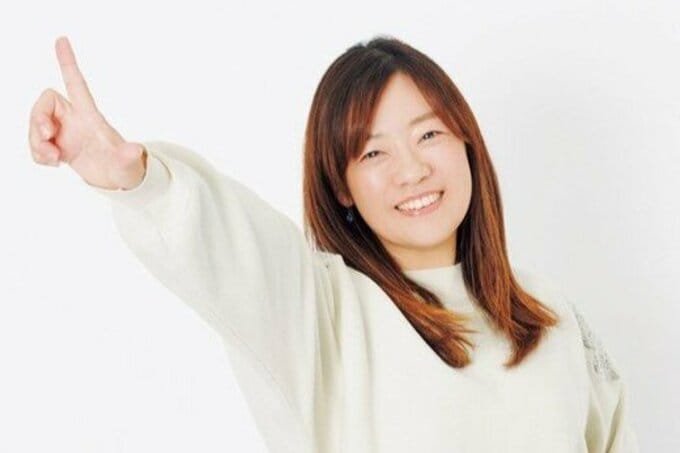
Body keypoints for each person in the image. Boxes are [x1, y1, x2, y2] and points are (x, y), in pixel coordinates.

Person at [28, 35, 639, 453]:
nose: (412, 169)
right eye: (373, 152)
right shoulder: (318, 312)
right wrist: (139, 181)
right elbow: (222, 241)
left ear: (466, 144)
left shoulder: (549, 314)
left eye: (428, 135)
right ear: (342, 186)